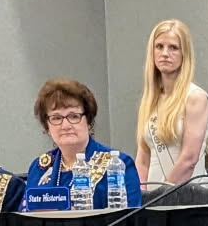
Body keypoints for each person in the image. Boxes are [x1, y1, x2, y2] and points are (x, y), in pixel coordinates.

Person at [23, 80, 142, 211]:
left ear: (89, 121)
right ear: (47, 127)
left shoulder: (118, 164)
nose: (65, 126)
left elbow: (130, 219)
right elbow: (25, 218)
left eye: (74, 116)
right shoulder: (39, 168)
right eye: (56, 118)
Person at [134, 20, 208, 186]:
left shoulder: (196, 97)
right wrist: (139, 195)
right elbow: (143, 159)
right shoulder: (150, 100)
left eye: (173, 48)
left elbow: (189, 159)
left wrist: (164, 195)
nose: (165, 53)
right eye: (159, 46)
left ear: (184, 54)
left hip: (189, 194)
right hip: (154, 196)